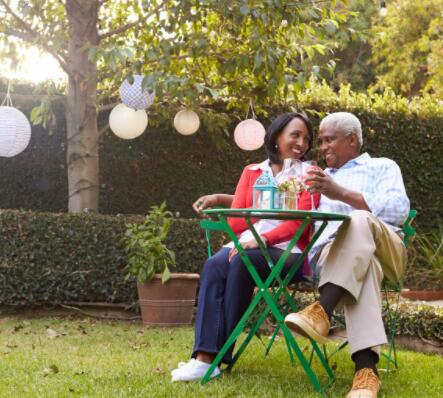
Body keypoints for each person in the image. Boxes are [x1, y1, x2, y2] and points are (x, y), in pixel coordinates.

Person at [171, 112, 320, 382]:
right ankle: (204, 357)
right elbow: (237, 220)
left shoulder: (310, 174)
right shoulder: (252, 172)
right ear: (276, 138)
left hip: (291, 253)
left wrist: (263, 238)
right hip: (246, 243)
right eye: (295, 135)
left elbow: (299, 223)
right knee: (215, 264)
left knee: (243, 261)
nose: (302, 143)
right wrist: (261, 210)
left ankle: (216, 357)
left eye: (306, 138)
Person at [284, 112, 410, 398]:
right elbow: (293, 211)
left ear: (351, 139)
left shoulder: (382, 166)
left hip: (386, 247)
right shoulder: (318, 178)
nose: (323, 147)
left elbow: (397, 212)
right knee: (365, 268)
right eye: (322, 141)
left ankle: (322, 310)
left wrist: (340, 193)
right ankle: (366, 373)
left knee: (360, 219)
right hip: (334, 257)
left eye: (330, 140)